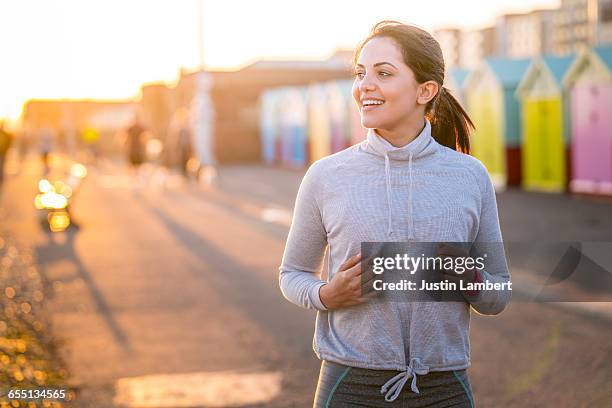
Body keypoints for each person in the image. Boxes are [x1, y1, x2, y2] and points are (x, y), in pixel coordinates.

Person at [278, 21, 511, 407]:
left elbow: (498, 293)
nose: (364, 85)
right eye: (360, 73)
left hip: (443, 386)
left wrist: (468, 278)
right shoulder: (326, 176)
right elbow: (291, 274)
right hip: (350, 384)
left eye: (383, 73)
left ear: (426, 90)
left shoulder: (470, 177)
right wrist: (325, 294)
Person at [0, 120, 14, 189]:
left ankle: (1, 175)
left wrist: (7, 149)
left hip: (3, 151)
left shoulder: (6, 134)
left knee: (2, 164)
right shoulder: (5, 134)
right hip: (2, 151)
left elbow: (9, 141)